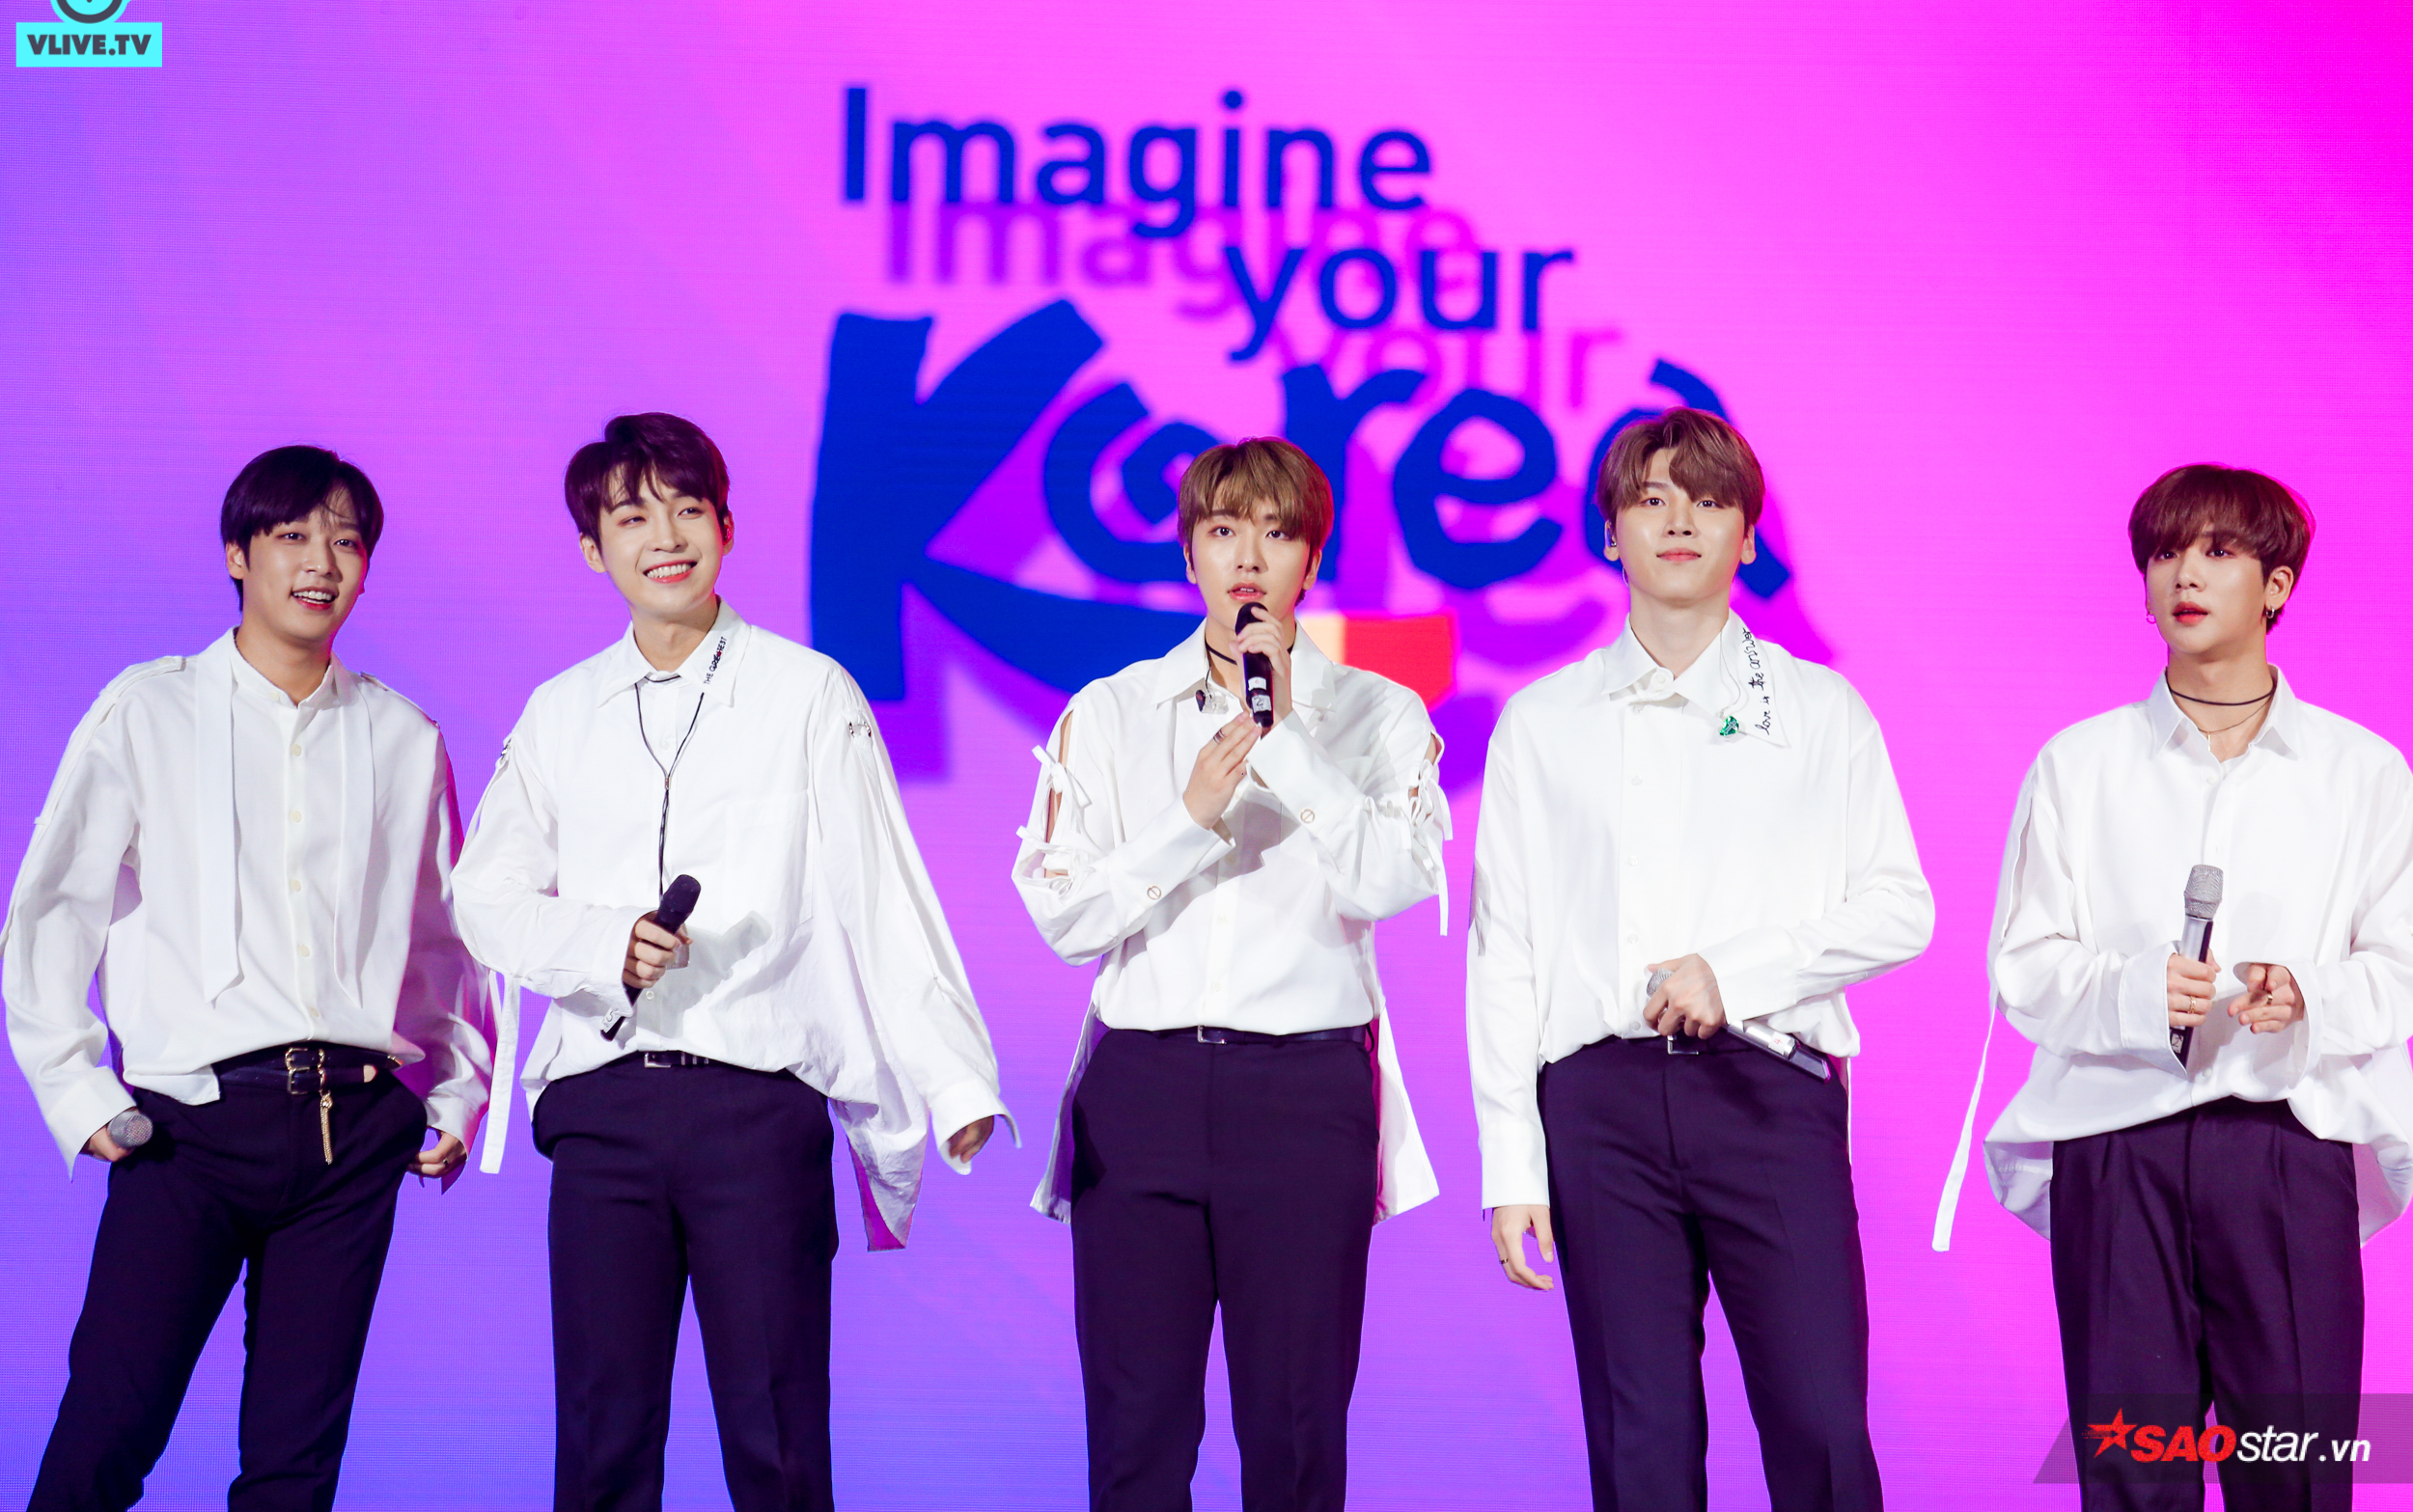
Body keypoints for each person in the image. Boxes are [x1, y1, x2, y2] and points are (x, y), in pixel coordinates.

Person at [452, 412, 1010, 1512]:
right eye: (632, 517)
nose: (666, 536)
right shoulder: (560, 712)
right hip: (604, 1113)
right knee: (602, 1438)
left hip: (755, 1110)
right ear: (593, 549)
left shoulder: (808, 692)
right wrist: (603, 940)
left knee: (777, 1437)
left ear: (726, 526)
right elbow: (484, 895)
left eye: (688, 508)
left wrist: (953, 1080)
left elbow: (882, 893)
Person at [4, 445, 494, 1512]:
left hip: (351, 1132)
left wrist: (455, 1096)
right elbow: (51, 908)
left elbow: (444, 941)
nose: (322, 561)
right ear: (238, 553)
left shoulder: (404, 735)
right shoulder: (147, 710)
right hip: (188, 1127)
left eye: (347, 541)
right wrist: (79, 1094)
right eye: (293, 535)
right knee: (108, 1428)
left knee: (294, 1464)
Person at [1467, 408, 1932, 1512]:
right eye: (1651, 499)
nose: (1679, 520)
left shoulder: (1819, 709)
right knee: (1641, 1439)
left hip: (1767, 1088)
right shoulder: (1543, 720)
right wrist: (1511, 1165)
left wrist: (1739, 970)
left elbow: (1899, 906)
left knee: (1820, 1423)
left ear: (1748, 536)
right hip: (1599, 1105)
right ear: (1611, 532)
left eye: (1709, 499)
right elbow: (1505, 950)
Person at [1942, 464, 2413, 1511]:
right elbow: (2024, 962)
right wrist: (2133, 991)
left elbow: (2400, 966)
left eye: (2217, 551)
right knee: (2130, 1471)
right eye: (2163, 552)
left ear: (2277, 584)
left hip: (2286, 1148)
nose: (2182, 574)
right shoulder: (2078, 765)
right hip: (2117, 1149)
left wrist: (2309, 995)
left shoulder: (2363, 773)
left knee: (2292, 1472)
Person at [1012, 436, 1448, 1512]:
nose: (1247, 557)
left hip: (1305, 1094)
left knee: (1295, 1435)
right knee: (1136, 1432)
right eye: (1222, 531)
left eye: (1276, 532)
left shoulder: (1380, 712)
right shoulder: (1110, 710)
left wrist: (1285, 739)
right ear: (1188, 553)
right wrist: (1188, 820)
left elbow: (1393, 877)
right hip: (1144, 1091)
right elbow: (1063, 914)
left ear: (1312, 558)